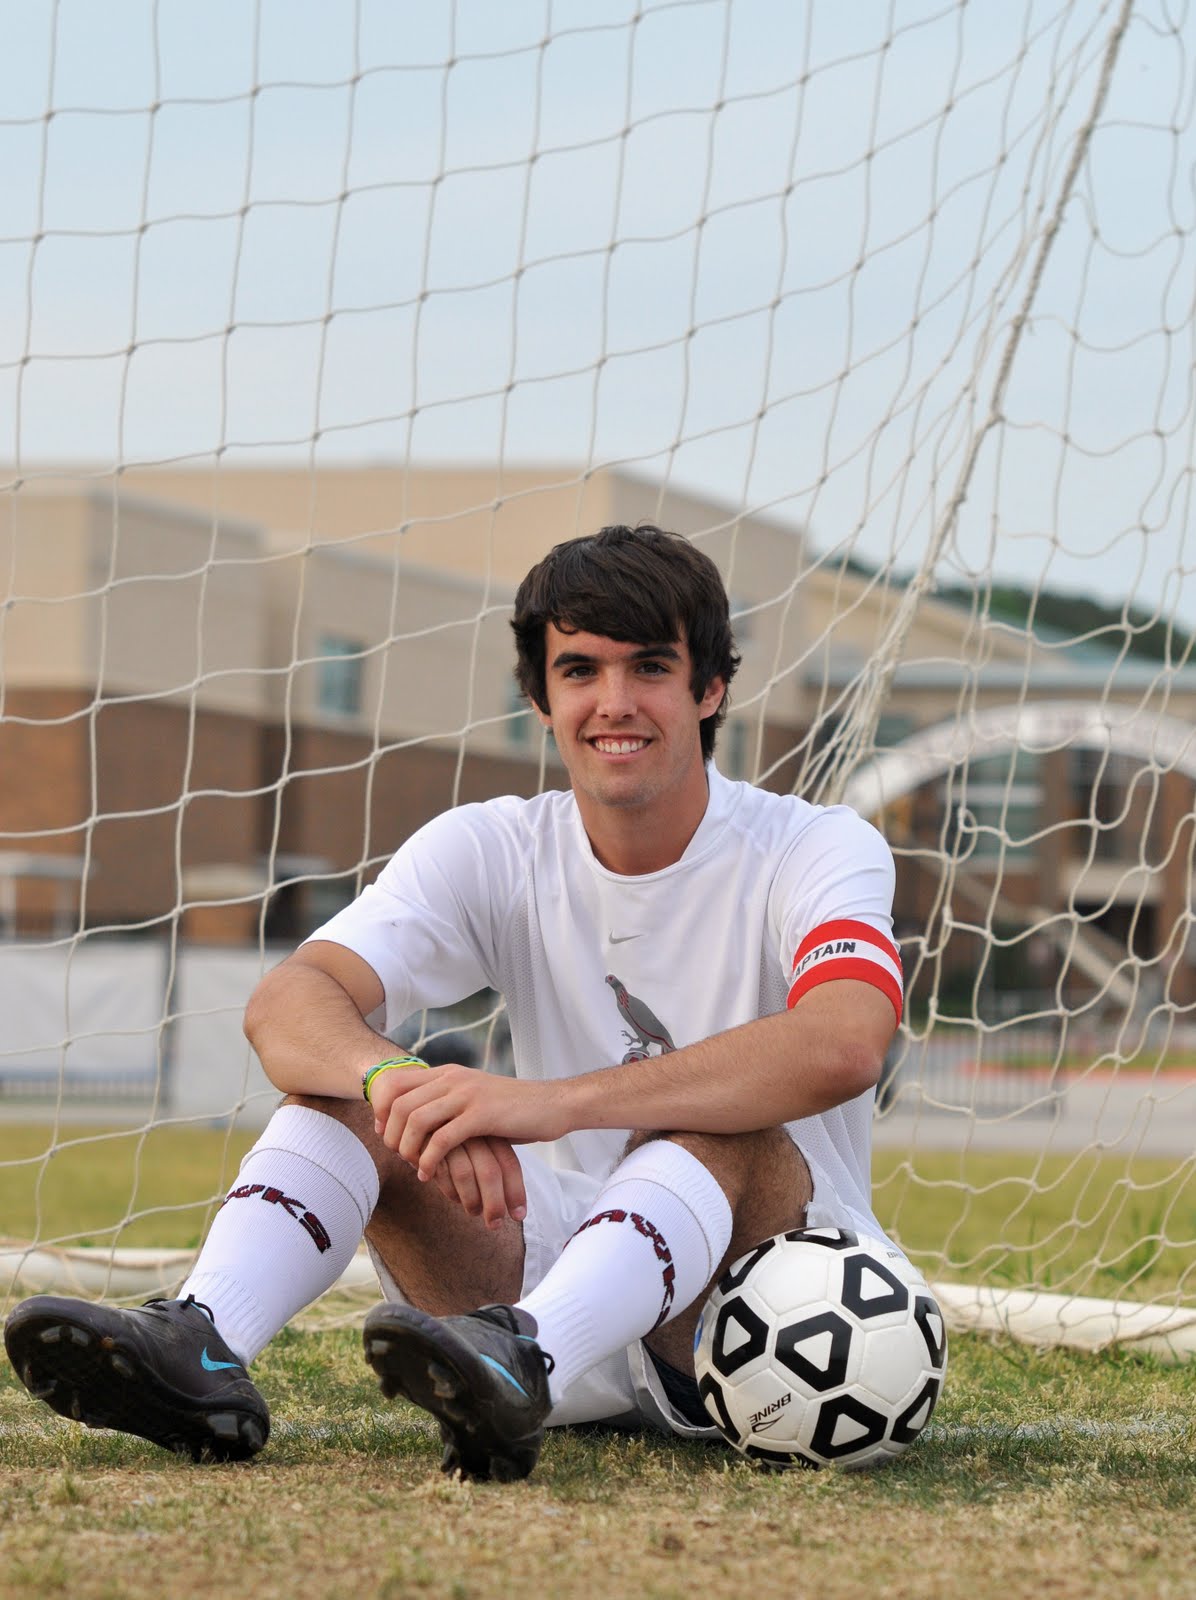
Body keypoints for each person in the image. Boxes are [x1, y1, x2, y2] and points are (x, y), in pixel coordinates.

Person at [4, 523, 903, 1481]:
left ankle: (530, 1355)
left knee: (720, 1127)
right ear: (540, 698)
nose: (614, 703)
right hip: (547, 1290)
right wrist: (398, 1083)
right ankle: (205, 1340)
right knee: (352, 1093)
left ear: (710, 687)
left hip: (762, 1316)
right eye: (580, 671)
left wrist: (550, 1104)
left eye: (650, 667)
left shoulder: (815, 845)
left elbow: (845, 1041)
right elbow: (288, 1003)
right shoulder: (493, 847)